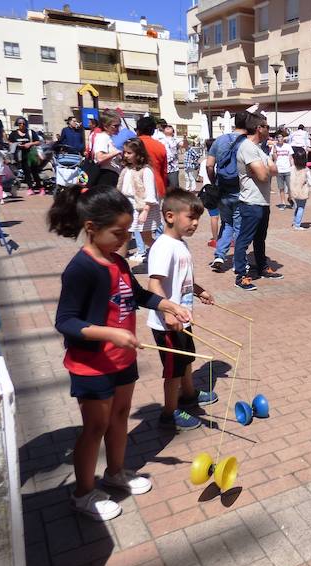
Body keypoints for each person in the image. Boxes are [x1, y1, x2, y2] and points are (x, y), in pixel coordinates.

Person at [50, 184, 190, 520]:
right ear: (91, 228)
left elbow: (137, 295)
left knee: (120, 417)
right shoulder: (81, 269)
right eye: (118, 232)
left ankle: (115, 473)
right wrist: (110, 333)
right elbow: (65, 321)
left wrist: (165, 303)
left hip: (122, 359)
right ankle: (83, 492)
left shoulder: (118, 261)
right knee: (94, 427)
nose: (125, 238)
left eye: (128, 230)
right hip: (92, 364)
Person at [147, 189, 218, 431]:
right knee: (173, 370)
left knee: (187, 359)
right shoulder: (164, 246)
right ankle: (169, 412)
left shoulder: (179, 244)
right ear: (170, 216)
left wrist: (199, 291)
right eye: (191, 217)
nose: (196, 223)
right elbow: (154, 283)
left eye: (198, 218)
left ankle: (188, 395)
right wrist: (168, 312)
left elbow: (182, 280)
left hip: (183, 318)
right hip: (168, 323)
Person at [233, 111, 282, 290]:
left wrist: (264, 169)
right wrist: (262, 170)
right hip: (251, 202)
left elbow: (274, 170)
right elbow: (263, 176)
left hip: (262, 201)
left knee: (260, 239)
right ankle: (240, 275)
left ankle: (262, 267)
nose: (270, 130)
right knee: (244, 240)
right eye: (267, 127)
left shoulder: (259, 150)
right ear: (259, 128)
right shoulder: (247, 147)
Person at [208, 116, 249, 273]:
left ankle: (219, 256)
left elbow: (209, 165)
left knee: (226, 223)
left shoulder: (220, 140)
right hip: (240, 189)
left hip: (222, 188)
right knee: (239, 226)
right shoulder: (247, 142)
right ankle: (239, 262)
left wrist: (214, 182)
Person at [116, 138, 159, 264]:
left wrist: (145, 211)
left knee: (146, 237)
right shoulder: (126, 170)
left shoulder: (146, 171)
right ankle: (119, 261)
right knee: (125, 235)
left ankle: (164, 253)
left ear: (138, 154)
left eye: (129, 153)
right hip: (127, 206)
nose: (126, 155)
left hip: (141, 207)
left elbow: (151, 194)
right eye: (125, 152)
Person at [9, 117, 45, 195]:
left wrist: (30, 144)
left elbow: (38, 142)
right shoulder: (14, 133)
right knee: (26, 172)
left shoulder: (31, 132)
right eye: (20, 123)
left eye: (23, 123)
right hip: (20, 154)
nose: (22, 125)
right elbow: (10, 142)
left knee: (34, 171)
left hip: (31, 153)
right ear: (17, 124)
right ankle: (30, 188)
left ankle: (40, 187)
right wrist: (16, 145)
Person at [136, 117, 168, 203]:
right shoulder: (160, 146)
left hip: (135, 186)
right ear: (153, 131)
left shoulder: (132, 144)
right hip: (156, 186)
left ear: (138, 129)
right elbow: (164, 171)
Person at [87, 111, 123, 187]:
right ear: (105, 126)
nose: (118, 129)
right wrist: (116, 152)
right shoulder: (103, 137)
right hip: (107, 176)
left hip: (110, 175)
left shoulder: (108, 138)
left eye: (119, 126)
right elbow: (99, 158)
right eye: (115, 126)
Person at [197, 138, 219, 247]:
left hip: (209, 191)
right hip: (221, 189)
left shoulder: (205, 162)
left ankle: (215, 239)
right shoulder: (220, 161)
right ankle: (229, 238)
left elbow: (200, 178)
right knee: (227, 216)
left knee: (214, 216)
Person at [271, 132, 294, 210]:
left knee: (290, 187)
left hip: (288, 169)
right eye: (277, 137)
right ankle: (283, 203)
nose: (279, 139)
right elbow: (275, 158)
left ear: (283, 138)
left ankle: (290, 199)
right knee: (281, 188)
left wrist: (292, 166)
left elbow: (290, 157)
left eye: (280, 137)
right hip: (279, 169)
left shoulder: (288, 146)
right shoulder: (275, 147)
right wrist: (274, 150)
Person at [161, 125, 183, 191]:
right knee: (164, 188)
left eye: (170, 127)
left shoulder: (176, 139)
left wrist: (184, 138)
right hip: (162, 167)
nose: (168, 127)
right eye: (166, 127)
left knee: (174, 187)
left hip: (173, 167)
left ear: (173, 132)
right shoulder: (160, 139)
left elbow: (184, 145)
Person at [290, 158, 310, 230]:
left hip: (294, 190)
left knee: (297, 206)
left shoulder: (292, 168)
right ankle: (297, 225)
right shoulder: (306, 169)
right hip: (302, 191)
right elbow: (310, 182)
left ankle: (295, 222)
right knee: (301, 208)